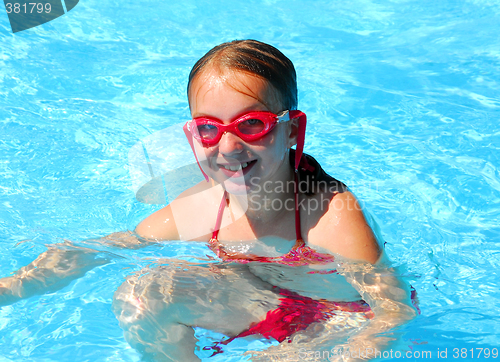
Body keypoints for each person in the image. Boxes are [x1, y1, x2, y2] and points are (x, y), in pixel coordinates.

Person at [0, 40, 418, 361]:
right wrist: (9, 289)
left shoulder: (329, 215)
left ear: (292, 130)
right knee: (145, 291)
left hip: (336, 321)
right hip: (262, 305)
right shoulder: (208, 204)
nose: (229, 146)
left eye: (252, 124)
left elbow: (393, 312)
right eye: (209, 129)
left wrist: (347, 350)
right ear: (193, 136)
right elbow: (102, 249)